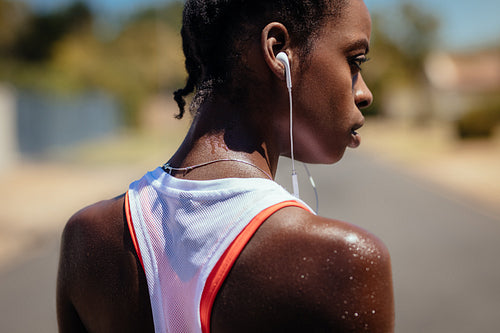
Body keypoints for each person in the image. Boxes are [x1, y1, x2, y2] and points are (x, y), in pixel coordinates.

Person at [57, 0, 395, 332]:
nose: (364, 93)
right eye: (355, 60)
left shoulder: (86, 238)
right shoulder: (342, 262)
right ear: (278, 51)